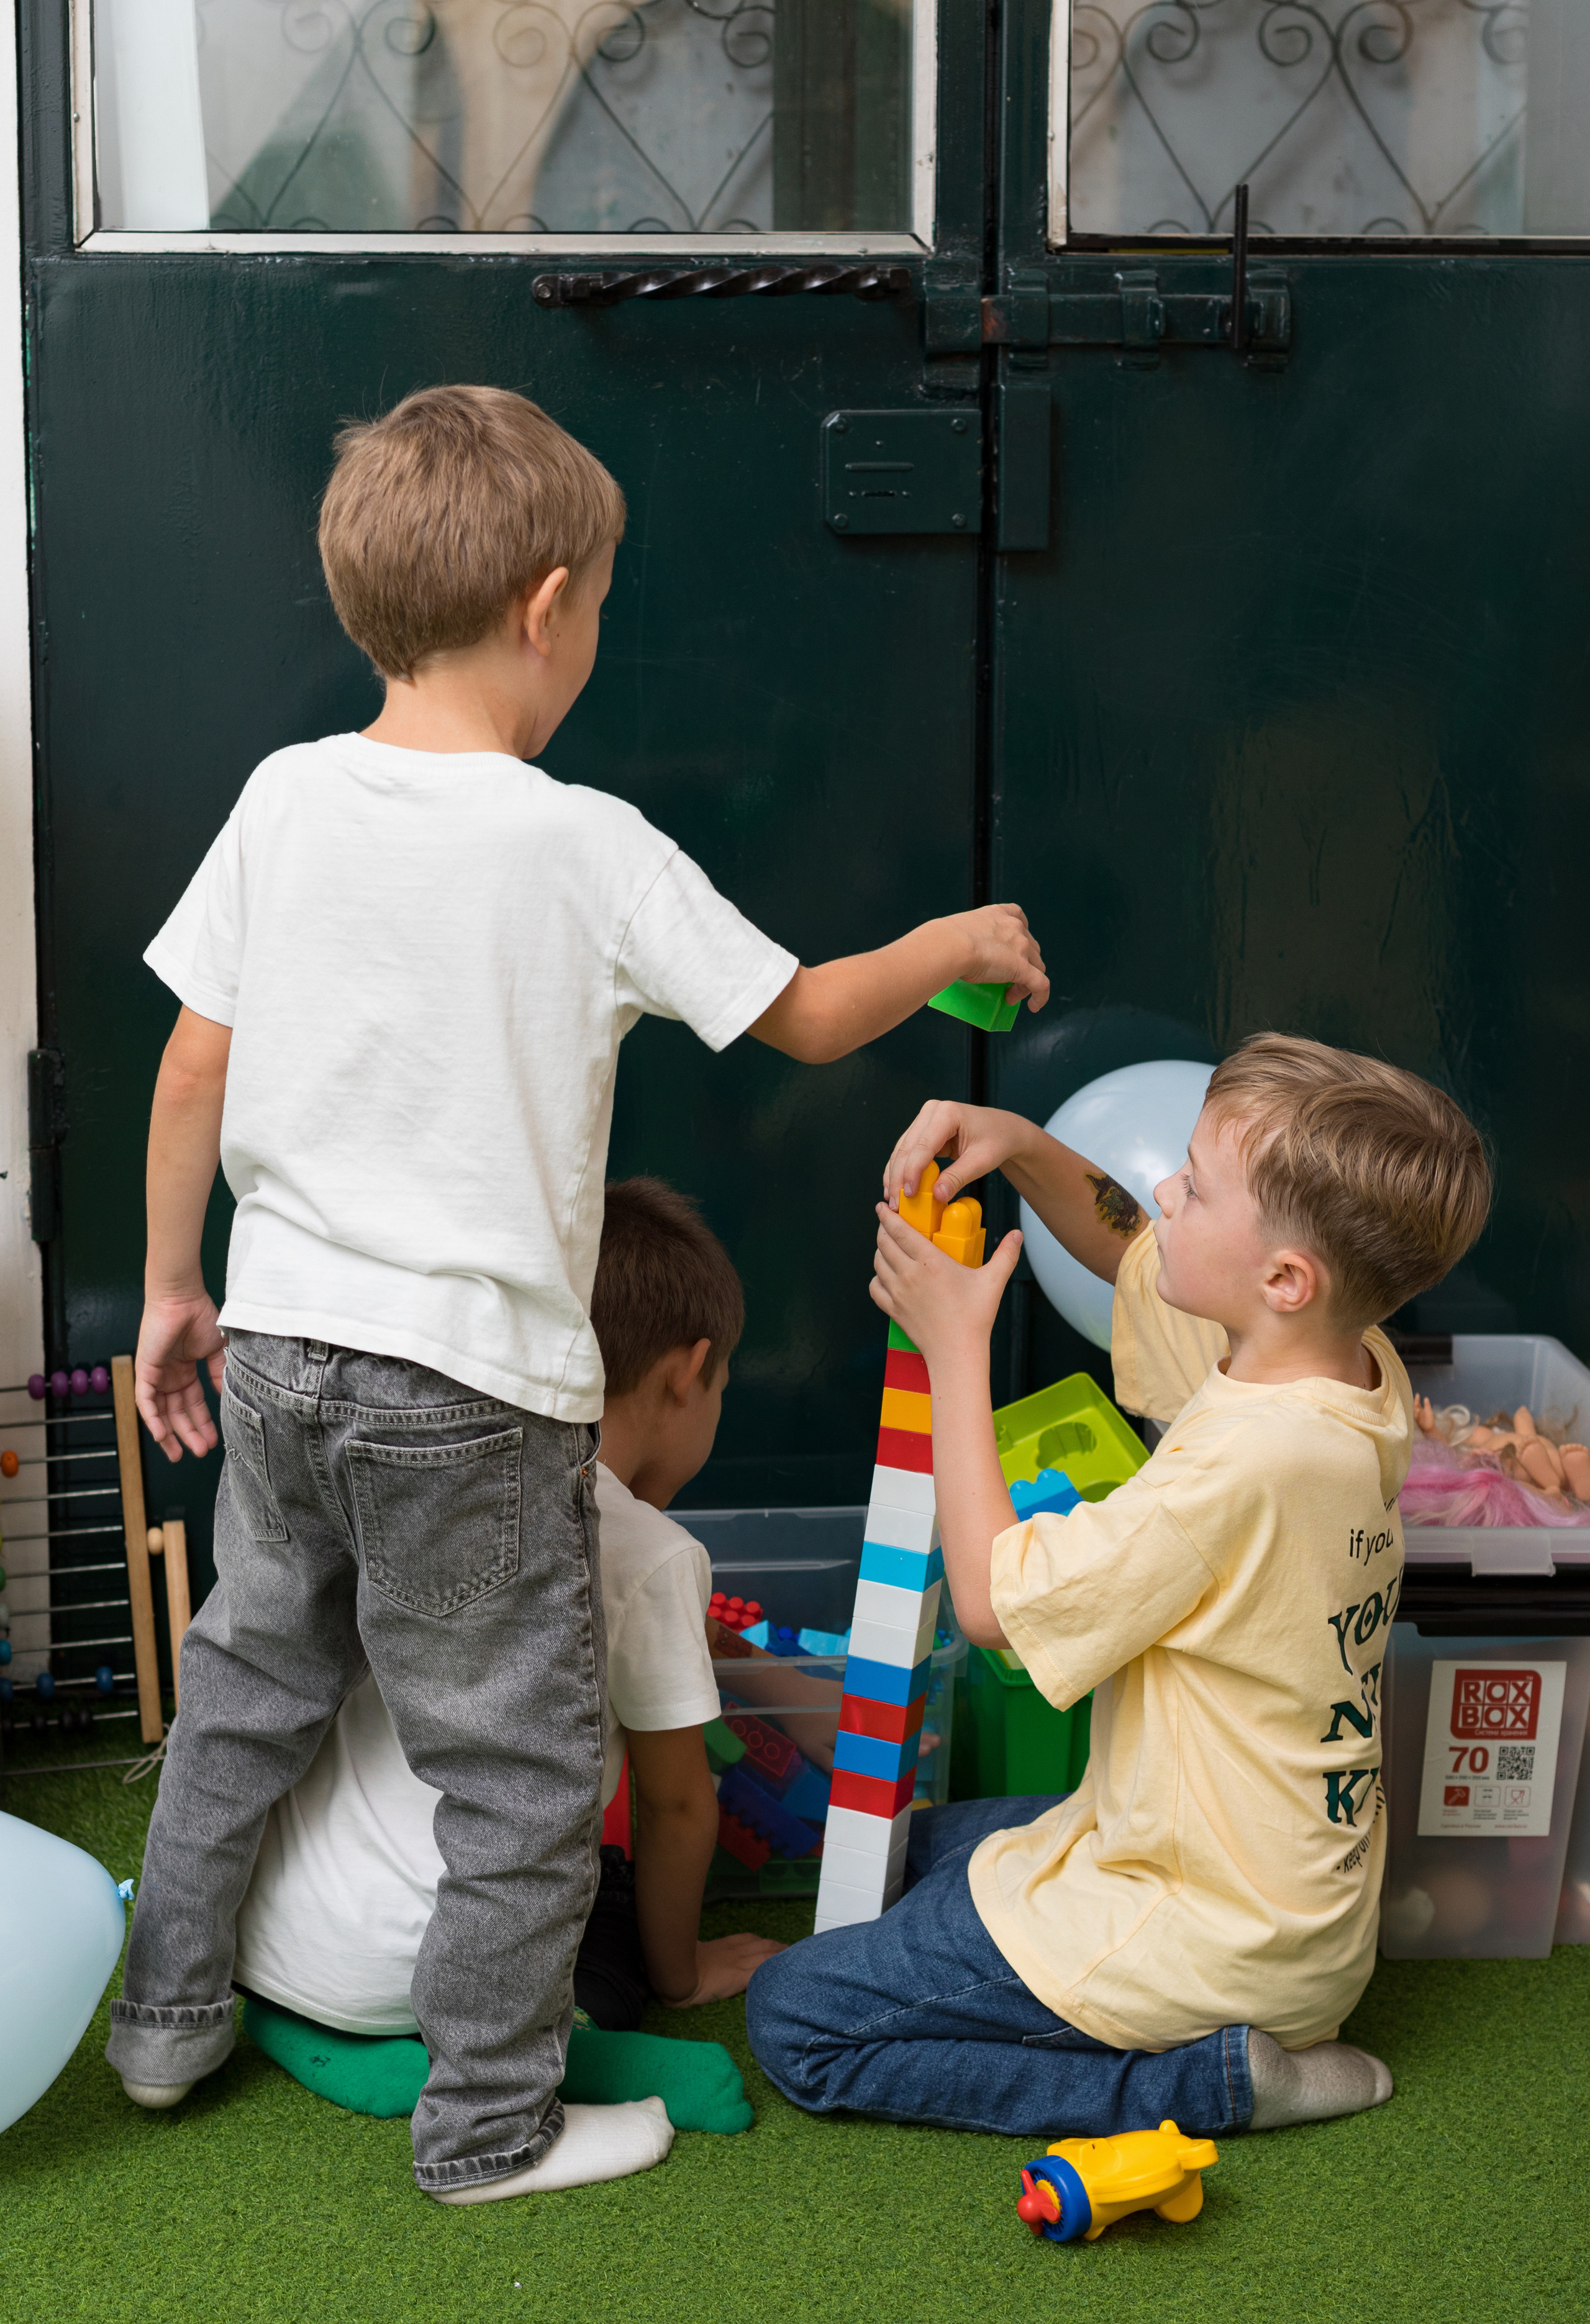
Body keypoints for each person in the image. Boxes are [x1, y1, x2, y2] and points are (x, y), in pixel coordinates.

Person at [109, 384, 1049, 2205]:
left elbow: (187, 1073)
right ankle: (486, 2131)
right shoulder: (583, 843)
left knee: (245, 1686)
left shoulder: (285, 797)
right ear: (549, 606)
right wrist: (946, 948)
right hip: (468, 1397)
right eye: (600, 606)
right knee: (523, 1776)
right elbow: (800, 1012)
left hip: (286, 1346)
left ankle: (164, 2025)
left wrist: (169, 1287)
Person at [747, 1034, 1492, 2138]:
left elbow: (995, 1611)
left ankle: (1209, 2084)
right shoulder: (1342, 1362)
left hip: (1213, 1939)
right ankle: (1237, 2029)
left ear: (1284, 1278)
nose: (1162, 1189)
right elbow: (1142, 1248)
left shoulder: (1243, 1464)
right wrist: (1021, 1147)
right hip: (1270, 1896)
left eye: (1194, 1184)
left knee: (795, 2014)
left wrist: (957, 1346)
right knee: (930, 1846)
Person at [229, 1177, 825, 2066]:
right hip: (424, 1970)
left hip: (274, 1944)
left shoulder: (427, 1477)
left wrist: (778, 1681)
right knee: (610, 1902)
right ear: (687, 1374)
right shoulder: (653, 1551)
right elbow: (674, 1804)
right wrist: (683, 1975)